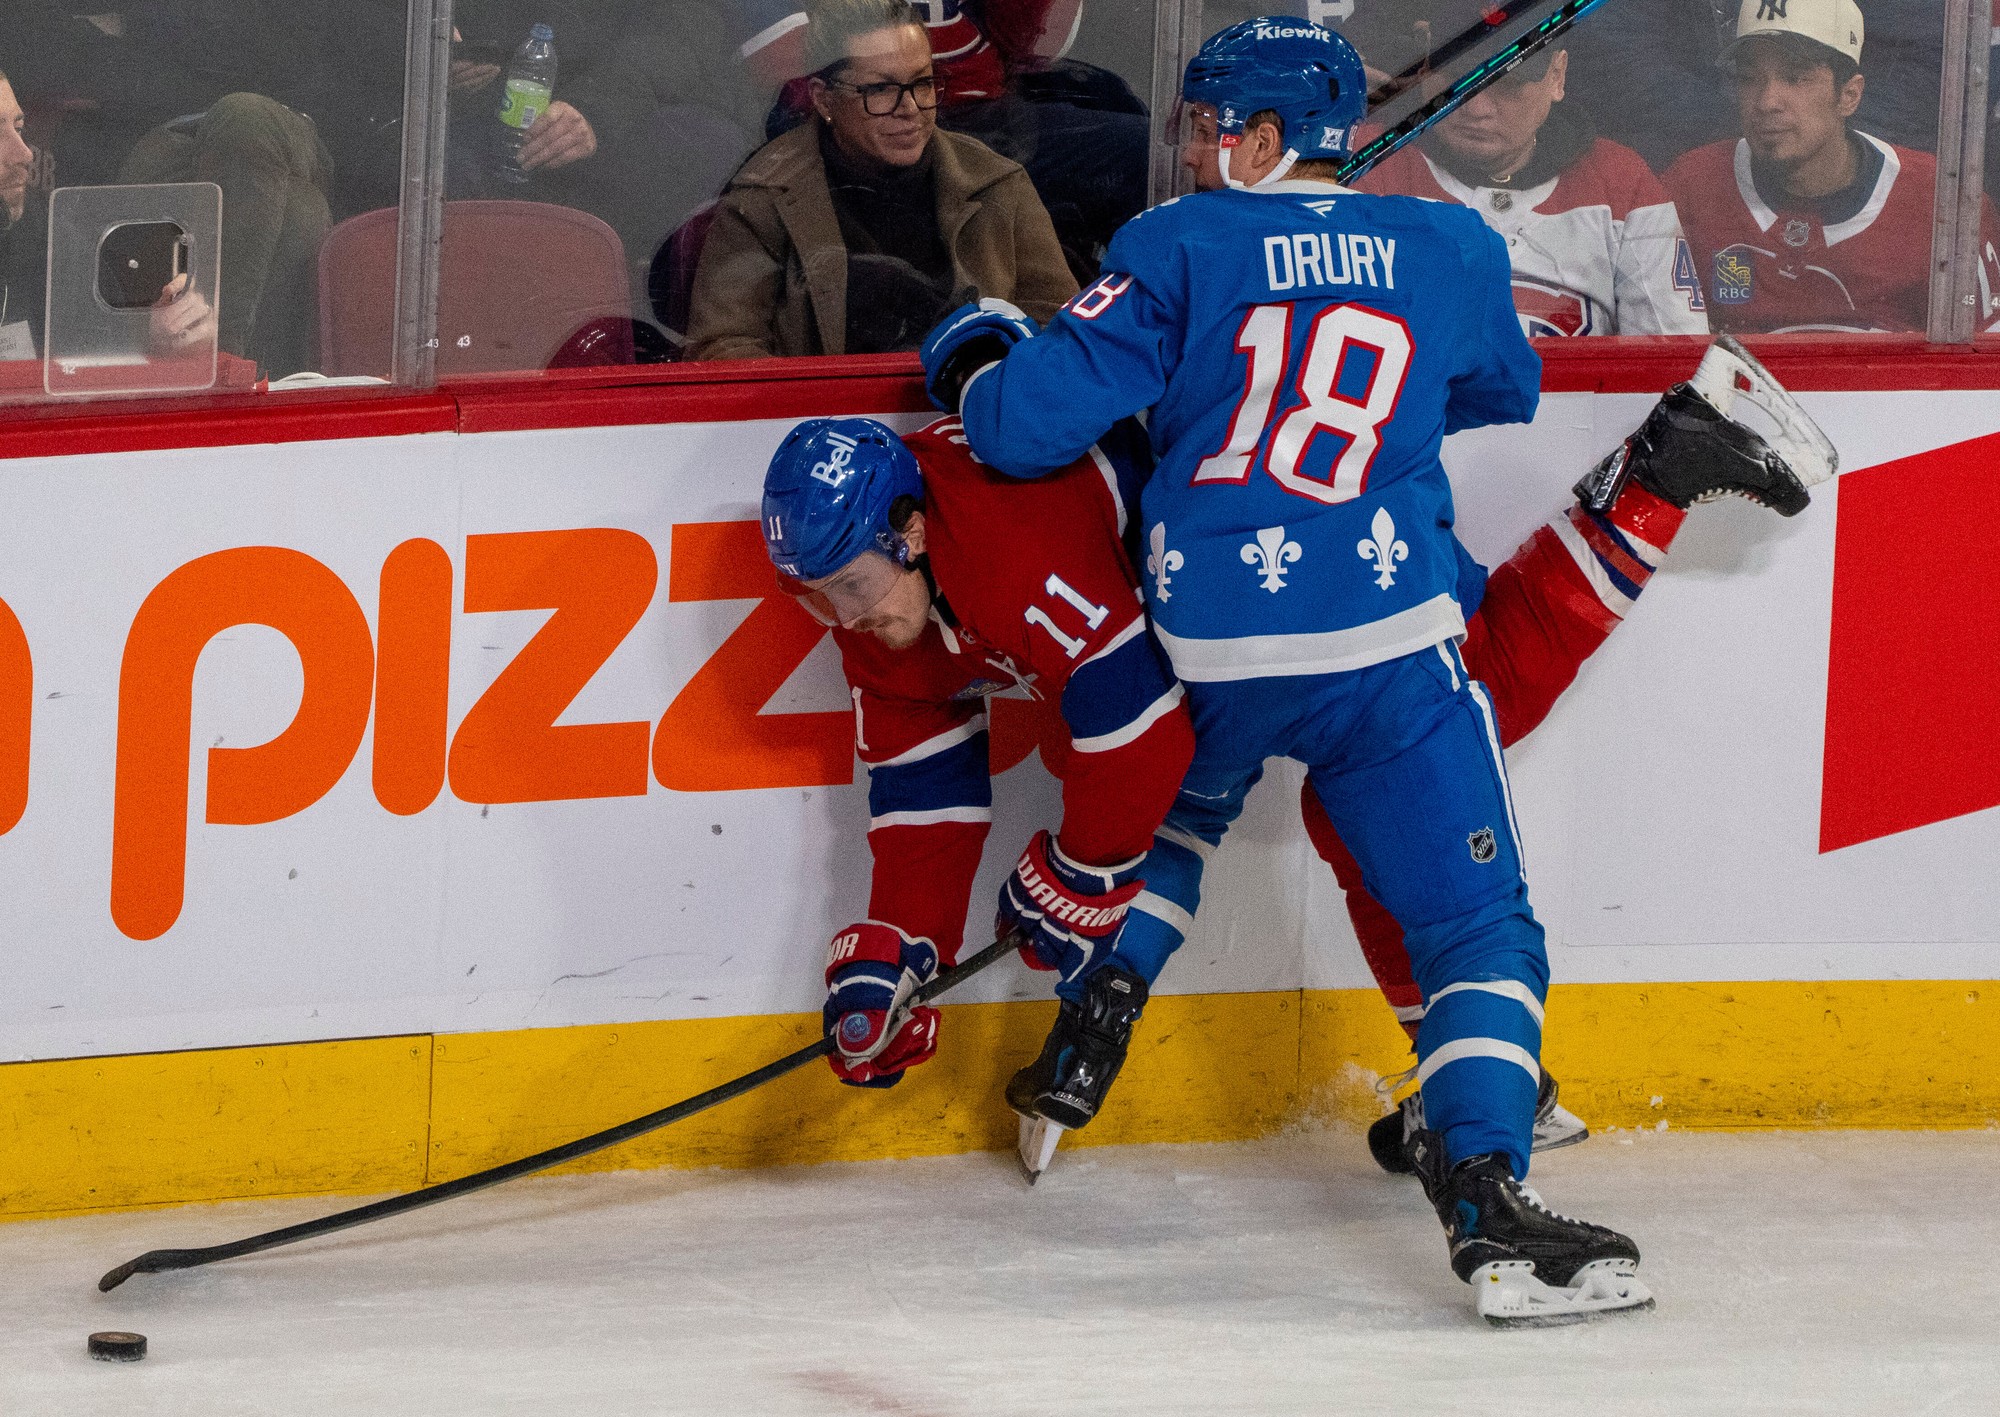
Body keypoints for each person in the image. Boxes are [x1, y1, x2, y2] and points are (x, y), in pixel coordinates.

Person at [924, 15, 1672, 1323]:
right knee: (1476, 928)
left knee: (1181, 815)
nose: (1195, 150)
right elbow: (1497, 390)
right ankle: (1486, 1196)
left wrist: (976, 350)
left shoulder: (1172, 244)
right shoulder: (1447, 242)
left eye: (1212, 128)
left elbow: (1018, 428)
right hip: (1386, 647)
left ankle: (1096, 1013)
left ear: (1267, 134)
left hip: (1211, 642)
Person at [759, 415, 1194, 1093]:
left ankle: (1100, 1012)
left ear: (910, 534)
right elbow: (923, 796)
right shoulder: (880, 609)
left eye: (851, 585)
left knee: (1189, 797)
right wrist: (909, 952)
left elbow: (1144, 735)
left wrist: (1081, 875)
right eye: (817, 597)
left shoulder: (1006, 546)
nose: (845, 621)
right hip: (1122, 628)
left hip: (1200, 548)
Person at [686, 0, 1076, 359]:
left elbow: (1062, 334)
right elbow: (722, 348)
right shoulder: (763, 197)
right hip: (823, 410)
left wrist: (985, 387)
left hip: (972, 404)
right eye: (881, 90)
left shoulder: (998, 183)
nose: (910, 109)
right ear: (823, 99)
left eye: (922, 84)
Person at [1664, 0, 2000, 334]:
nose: (1766, 102)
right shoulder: (1690, 186)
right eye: (1749, 78)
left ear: (1849, 95)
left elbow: (1985, 357)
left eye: (1796, 78)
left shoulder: (1943, 203)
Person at [1354, 45, 1709, 338]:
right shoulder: (1363, 163)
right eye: (1456, 79)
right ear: (1425, 71)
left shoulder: (1620, 180)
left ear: (1556, 75)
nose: (1476, 108)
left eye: (1506, 83)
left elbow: (1673, 364)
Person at [0, 70, 216, 366]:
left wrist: (160, 341)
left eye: (19, 129)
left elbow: (101, 359)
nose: (24, 154)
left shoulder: (54, 248)